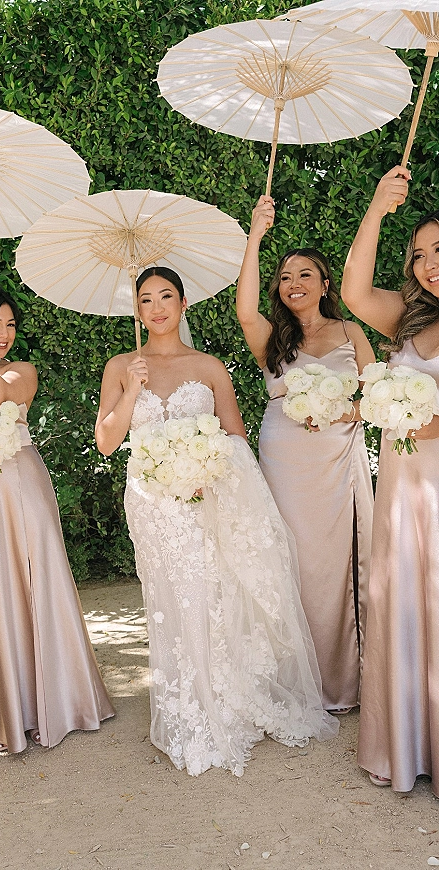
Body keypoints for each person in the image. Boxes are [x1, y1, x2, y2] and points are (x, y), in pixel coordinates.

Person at [95, 266, 338, 777]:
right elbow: (107, 441)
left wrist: (208, 468)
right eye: (145, 299)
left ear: (183, 304)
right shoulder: (122, 365)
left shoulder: (208, 367)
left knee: (211, 596)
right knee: (168, 602)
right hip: (152, 503)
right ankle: (184, 706)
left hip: (204, 500)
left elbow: (234, 436)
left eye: (166, 295)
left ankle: (223, 700)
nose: (156, 306)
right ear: (136, 310)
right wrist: (130, 393)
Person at [0, 284, 114, 755]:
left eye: (11, 325)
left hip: (21, 486)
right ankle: (2, 713)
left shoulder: (21, 372)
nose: (4, 333)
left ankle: (58, 703)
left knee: (37, 584)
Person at [236, 196, 375, 714]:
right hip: (285, 460)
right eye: (285, 276)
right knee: (288, 561)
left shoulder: (351, 332)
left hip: (337, 463)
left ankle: (341, 681)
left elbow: (374, 397)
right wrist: (255, 235)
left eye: (305, 274)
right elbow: (244, 309)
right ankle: (293, 683)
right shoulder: (272, 337)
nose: (294, 283)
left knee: (333, 567)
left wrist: (341, 412)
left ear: (325, 284)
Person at [341, 167, 439, 793]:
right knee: (404, 599)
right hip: (403, 493)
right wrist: (377, 208)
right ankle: (410, 741)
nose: (430, 265)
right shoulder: (406, 317)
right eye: (421, 254)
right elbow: (353, 291)